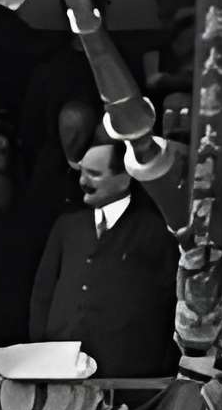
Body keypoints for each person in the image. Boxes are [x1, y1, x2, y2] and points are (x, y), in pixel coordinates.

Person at [25, 139, 181, 377]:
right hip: (60, 369)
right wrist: (40, 350)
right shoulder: (67, 226)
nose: (82, 181)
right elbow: (42, 294)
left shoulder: (155, 232)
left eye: (94, 174)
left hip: (125, 376)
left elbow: (169, 304)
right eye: (82, 172)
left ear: (124, 179)